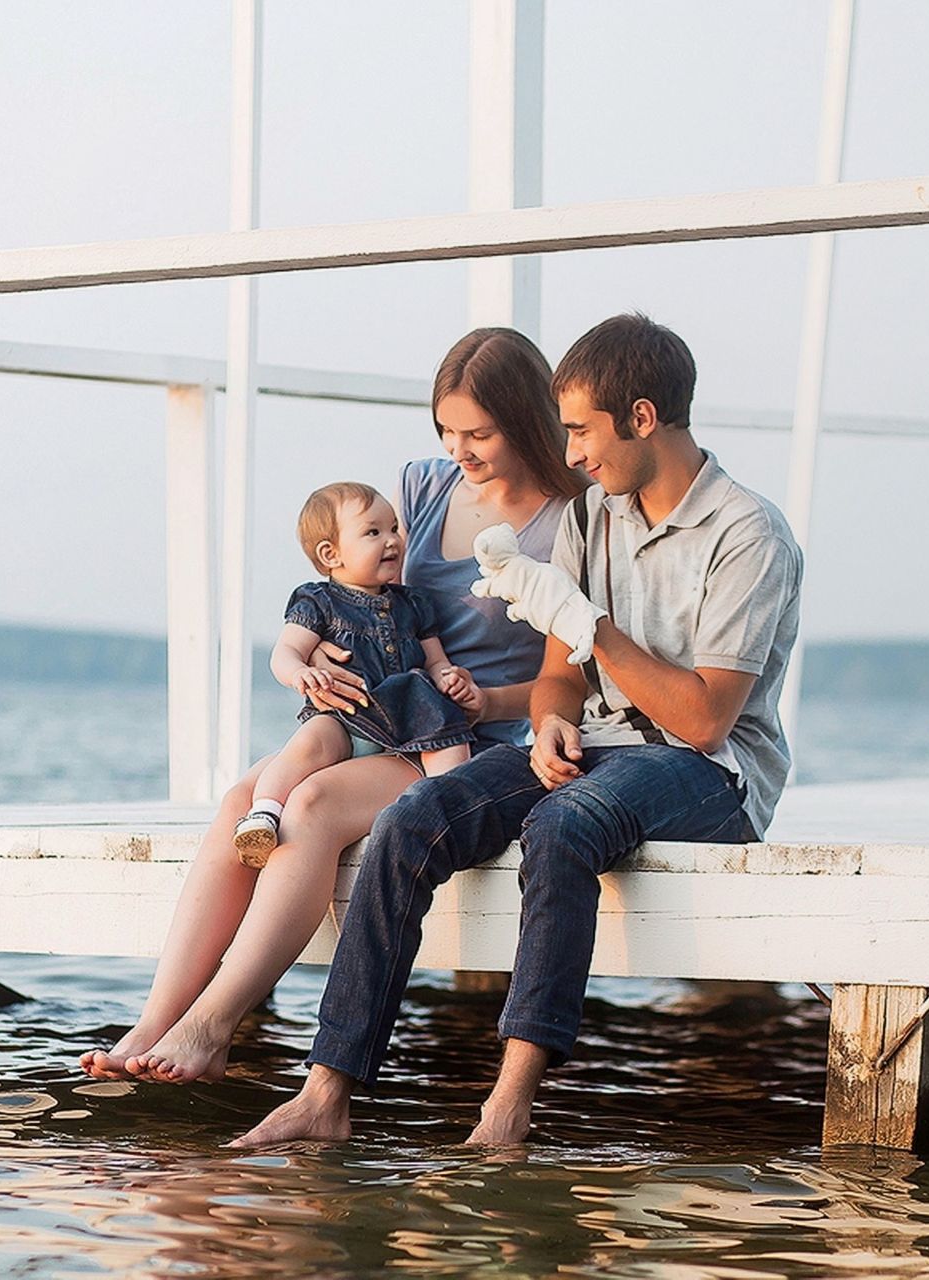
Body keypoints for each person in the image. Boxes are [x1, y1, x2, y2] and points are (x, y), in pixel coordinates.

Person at [231, 313, 803, 1147]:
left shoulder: (748, 534)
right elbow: (560, 677)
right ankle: (327, 1093)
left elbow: (706, 719)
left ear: (642, 418)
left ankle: (507, 1107)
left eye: (581, 430)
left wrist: (591, 623)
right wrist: (547, 725)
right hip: (599, 746)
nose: (570, 454)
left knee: (564, 823)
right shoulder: (591, 517)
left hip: (710, 774)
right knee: (411, 819)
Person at [78, 327, 586, 1085]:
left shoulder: (571, 518)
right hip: (374, 718)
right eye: (447, 430)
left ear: (527, 418)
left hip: (472, 740)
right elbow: (367, 589)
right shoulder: (425, 485)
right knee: (244, 800)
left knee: (309, 806)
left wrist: (484, 696)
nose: (459, 450)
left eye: (477, 433)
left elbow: (570, 669)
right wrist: (313, 652)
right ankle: (157, 1020)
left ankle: (214, 1028)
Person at [231, 482, 479, 870]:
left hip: (408, 722)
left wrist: (448, 677)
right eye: (373, 532)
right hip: (345, 716)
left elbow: (435, 660)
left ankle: (452, 806)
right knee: (308, 745)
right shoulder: (319, 602)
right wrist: (301, 673)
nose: (392, 540)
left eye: (394, 528)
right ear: (331, 554)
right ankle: (264, 812)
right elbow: (286, 652)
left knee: (447, 742)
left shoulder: (412, 604)